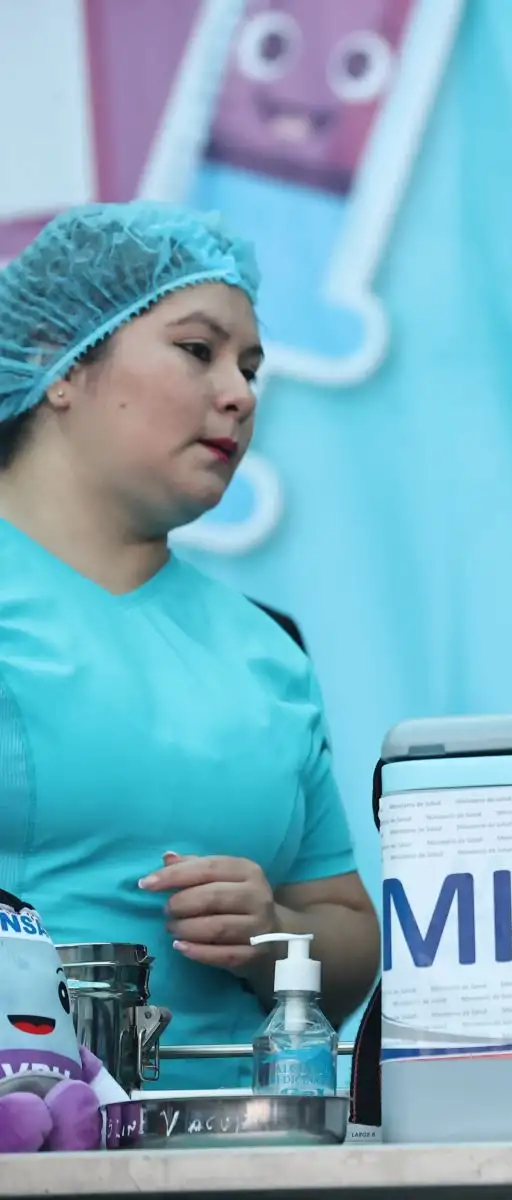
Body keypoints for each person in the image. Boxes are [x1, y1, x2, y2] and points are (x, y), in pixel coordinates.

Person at [0, 202, 377, 1090]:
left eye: (250, 366)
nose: (241, 393)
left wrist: (273, 933)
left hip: (243, 1156)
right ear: (60, 360)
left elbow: (348, 933)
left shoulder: (265, 650)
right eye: (197, 351)